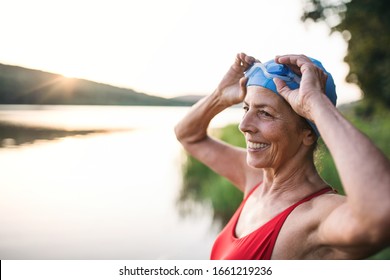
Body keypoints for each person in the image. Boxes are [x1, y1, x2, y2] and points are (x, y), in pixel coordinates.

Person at [174, 53, 390, 259]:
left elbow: (381, 210)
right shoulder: (256, 179)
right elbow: (188, 135)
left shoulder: (317, 216)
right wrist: (219, 97)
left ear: (307, 133)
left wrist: (315, 103)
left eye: (264, 113)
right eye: (246, 108)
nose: (244, 126)